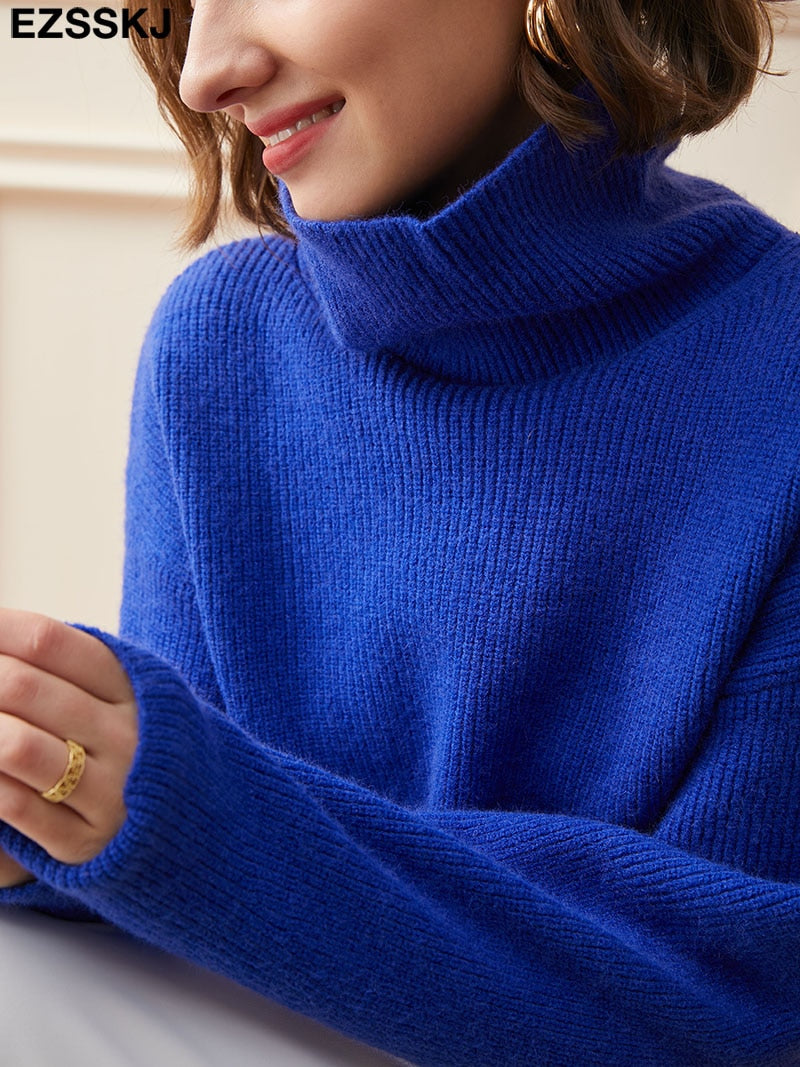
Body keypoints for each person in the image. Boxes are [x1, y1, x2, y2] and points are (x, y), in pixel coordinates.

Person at [0, 0, 799, 1063]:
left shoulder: (779, 367)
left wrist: (208, 819)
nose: (203, 73)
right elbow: (191, 888)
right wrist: (49, 820)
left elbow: (746, 991)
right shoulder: (221, 343)